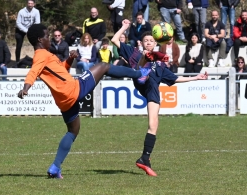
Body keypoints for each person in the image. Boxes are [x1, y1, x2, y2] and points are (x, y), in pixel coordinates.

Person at [17, 23, 152, 179]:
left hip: (64, 101)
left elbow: (60, 70)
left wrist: (68, 60)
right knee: (103, 66)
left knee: (73, 131)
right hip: (73, 90)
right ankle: (139, 73)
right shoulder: (40, 54)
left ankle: (55, 167)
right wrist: (26, 88)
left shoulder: (46, 55)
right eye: (47, 36)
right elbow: (33, 72)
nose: (49, 39)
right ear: (40, 39)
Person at [112, 19, 208, 176]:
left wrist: (196, 77)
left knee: (153, 126)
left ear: (155, 43)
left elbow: (175, 79)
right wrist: (124, 27)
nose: (148, 42)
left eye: (151, 40)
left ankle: (145, 158)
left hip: (152, 92)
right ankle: (142, 70)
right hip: (141, 78)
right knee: (142, 64)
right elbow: (115, 40)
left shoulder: (161, 64)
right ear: (141, 43)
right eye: (146, 40)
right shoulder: (134, 52)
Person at [14, 0, 40, 67]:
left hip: (31, 29)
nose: (30, 5)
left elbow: (37, 23)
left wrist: (31, 31)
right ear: (27, 4)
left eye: (31, 3)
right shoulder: (21, 11)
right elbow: (18, 23)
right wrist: (26, 30)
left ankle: (37, 60)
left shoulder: (36, 11)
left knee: (36, 44)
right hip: (20, 29)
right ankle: (17, 61)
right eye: (29, 3)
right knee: (19, 45)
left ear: (34, 4)